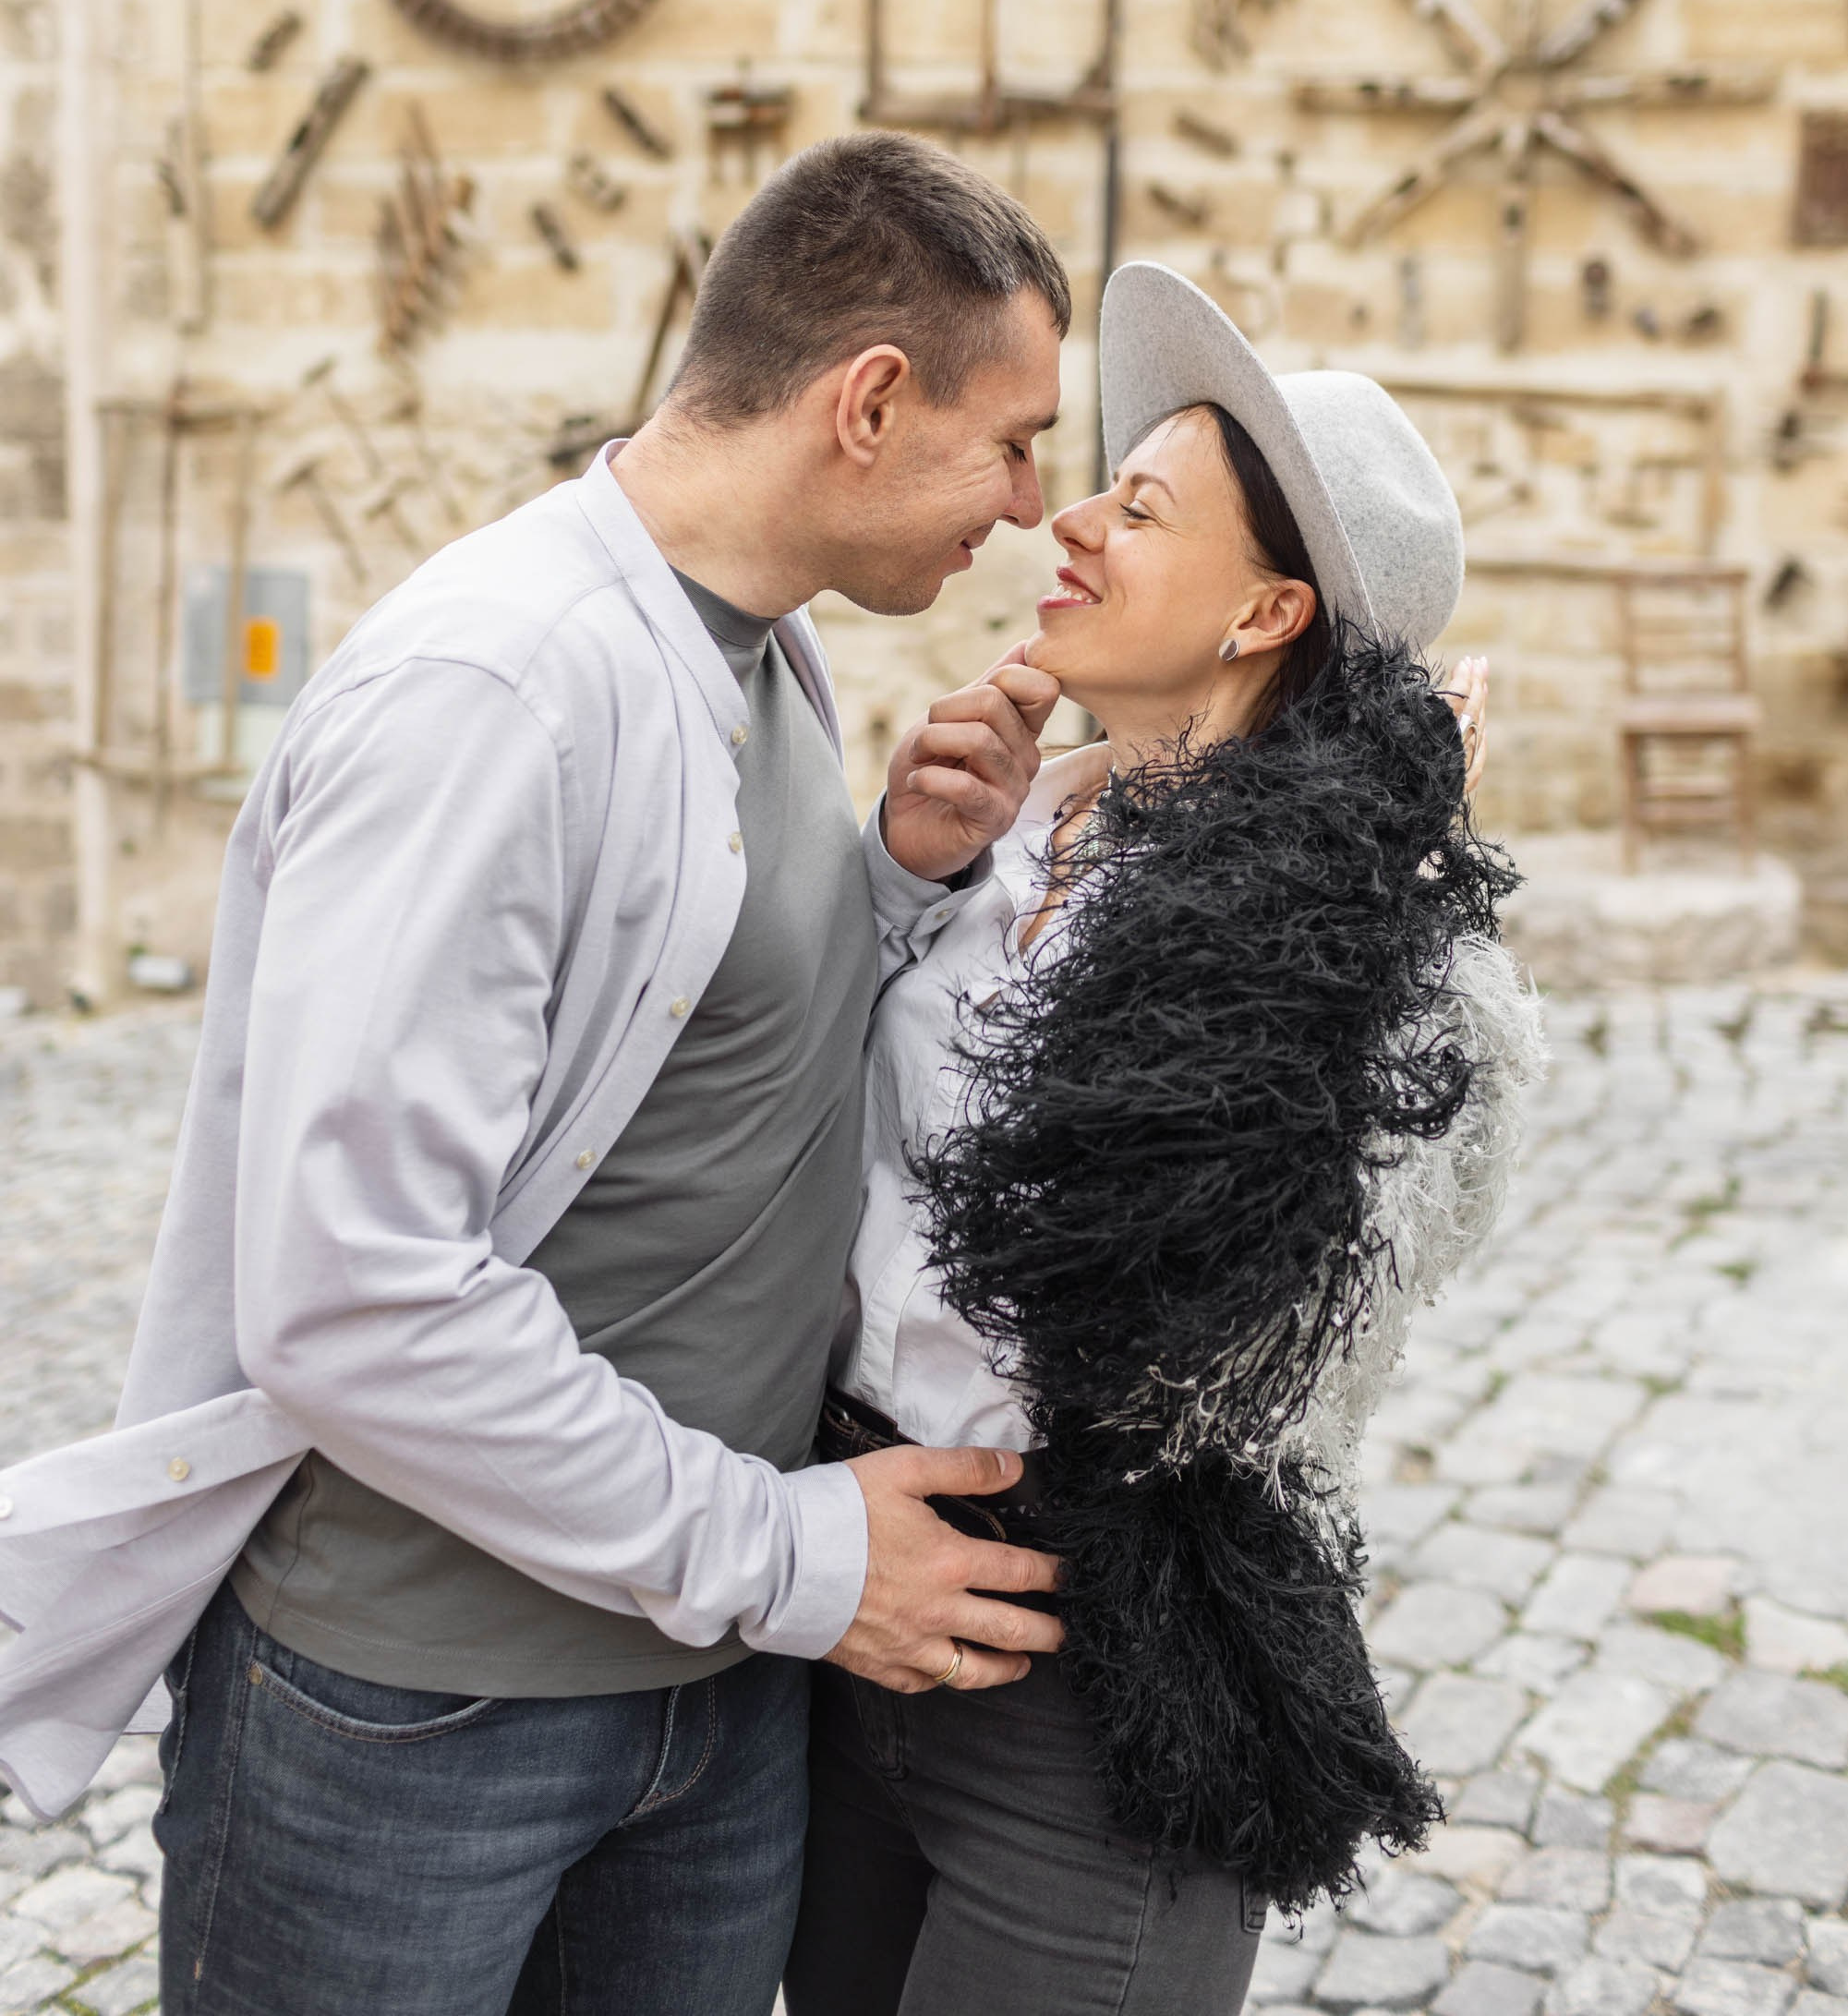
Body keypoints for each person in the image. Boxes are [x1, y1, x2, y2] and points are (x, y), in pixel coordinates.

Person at [0, 132, 1079, 2016]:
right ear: (868, 401)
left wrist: (894, 883)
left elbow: (698, 1072)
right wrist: (795, 1560)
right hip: (417, 1719)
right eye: (1010, 440)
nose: (1027, 503)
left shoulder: (759, 651)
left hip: (704, 1701)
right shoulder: (495, 687)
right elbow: (352, 1292)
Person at [785, 260, 1546, 2016]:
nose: (1067, 519)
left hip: (1101, 1676)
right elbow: (827, 1148)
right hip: (845, 1597)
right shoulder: (1008, 826)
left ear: (1263, 614)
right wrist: (902, 875)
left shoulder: (1400, 969)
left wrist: (1341, 877)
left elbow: (1226, 1336)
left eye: (1135, 507)